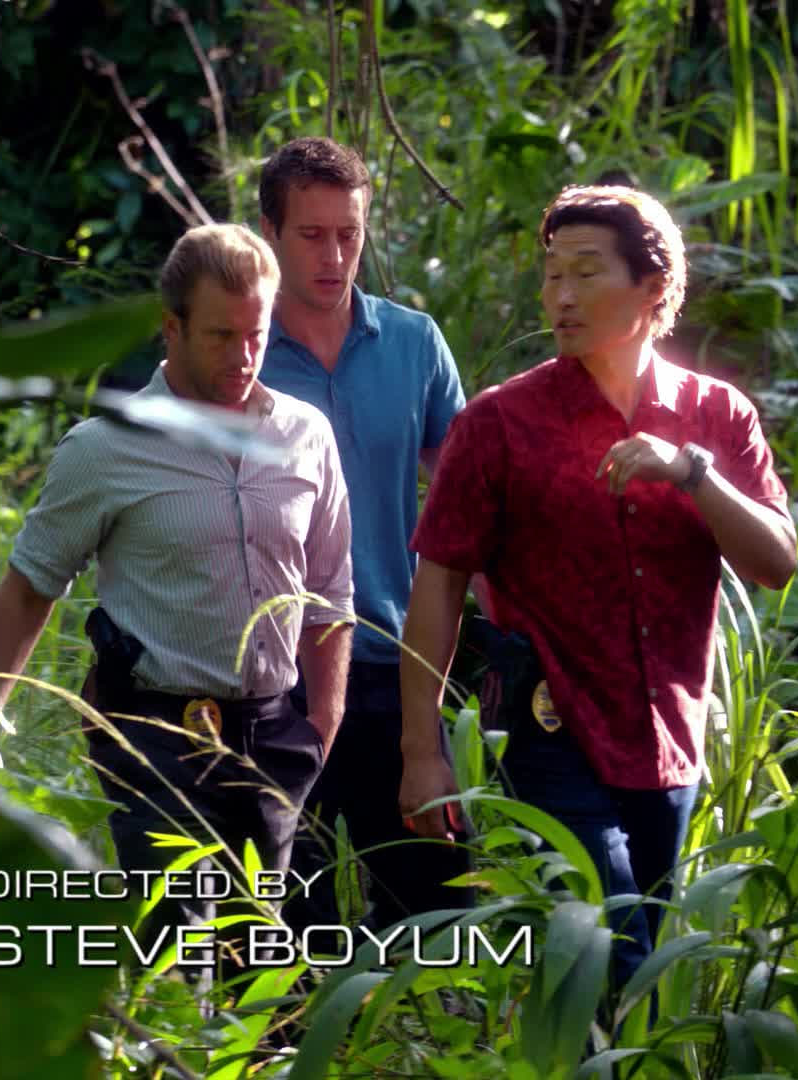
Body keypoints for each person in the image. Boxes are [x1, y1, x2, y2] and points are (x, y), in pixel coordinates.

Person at [397, 185, 798, 989]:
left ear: (654, 288)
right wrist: (421, 752)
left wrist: (691, 474)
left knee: (639, 981)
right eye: (552, 275)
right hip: (549, 732)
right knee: (610, 959)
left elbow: (776, 562)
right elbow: (437, 584)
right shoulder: (498, 423)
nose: (562, 296)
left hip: (669, 738)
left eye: (586, 272)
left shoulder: (716, 414)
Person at [0, 222, 354, 974]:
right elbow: (30, 588)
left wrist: (322, 722)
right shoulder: (105, 449)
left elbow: (330, 591)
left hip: (271, 734)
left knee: (257, 962)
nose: (243, 356)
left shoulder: (306, 436)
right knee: (178, 960)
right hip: (154, 734)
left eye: (256, 335)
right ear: (171, 329)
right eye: (220, 336)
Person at [253, 137, 474, 930]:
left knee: (434, 914)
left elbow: (468, 503)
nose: (334, 255)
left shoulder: (413, 343)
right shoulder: (238, 351)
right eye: (311, 235)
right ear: (271, 235)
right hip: (270, 675)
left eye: (349, 234)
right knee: (276, 929)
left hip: (393, 662)